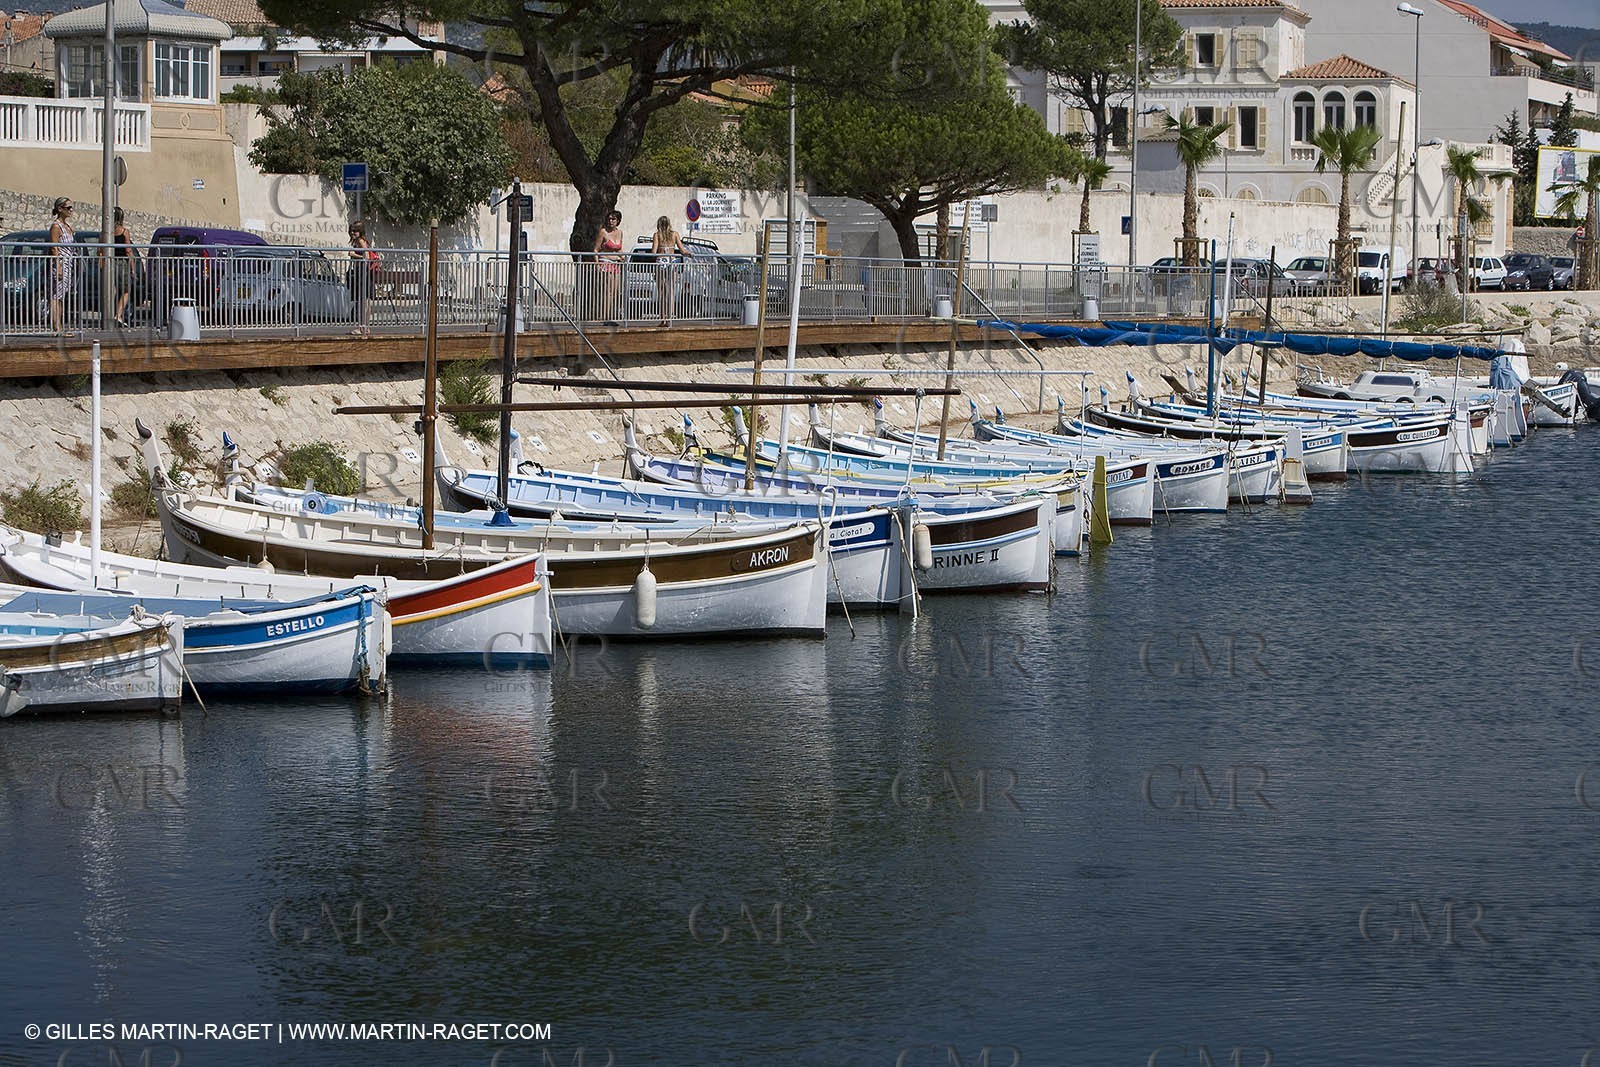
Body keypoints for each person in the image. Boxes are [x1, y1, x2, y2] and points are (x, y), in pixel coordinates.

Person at [651, 214, 689, 327]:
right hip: (672, 262)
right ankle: (670, 316)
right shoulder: (675, 234)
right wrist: (689, 254)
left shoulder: (657, 235)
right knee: (670, 290)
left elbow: (653, 252)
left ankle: (663, 318)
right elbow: (682, 250)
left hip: (661, 262)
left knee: (662, 292)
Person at [47, 196, 75, 334]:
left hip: (68, 264)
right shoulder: (56, 226)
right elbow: (54, 248)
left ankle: (60, 327)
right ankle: (56, 327)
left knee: (61, 295)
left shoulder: (67, 226)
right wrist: (57, 266)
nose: (71, 210)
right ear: (60, 209)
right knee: (56, 295)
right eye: (68, 207)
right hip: (60, 263)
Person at [106, 207, 137, 327]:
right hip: (122, 263)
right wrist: (133, 268)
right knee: (125, 291)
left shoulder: (107, 232)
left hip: (110, 262)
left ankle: (109, 314)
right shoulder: (124, 231)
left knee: (112, 290)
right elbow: (128, 250)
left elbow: (100, 249)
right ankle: (118, 315)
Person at [593, 210, 625, 324]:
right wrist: (597, 265)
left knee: (616, 291)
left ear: (618, 221)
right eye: (609, 219)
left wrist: (622, 257)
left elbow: (619, 248)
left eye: (613, 219)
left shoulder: (620, 232)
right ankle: (604, 316)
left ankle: (611, 315)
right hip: (605, 262)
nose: (611, 221)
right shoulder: (603, 232)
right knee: (608, 291)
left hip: (616, 263)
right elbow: (596, 249)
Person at [348, 221, 376, 335]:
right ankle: (365, 327)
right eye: (351, 230)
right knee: (365, 301)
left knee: (363, 301)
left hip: (363, 272)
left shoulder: (360, 241)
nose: (352, 233)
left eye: (355, 231)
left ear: (360, 231)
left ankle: (361, 327)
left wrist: (353, 254)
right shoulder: (361, 240)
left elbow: (367, 256)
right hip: (365, 272)